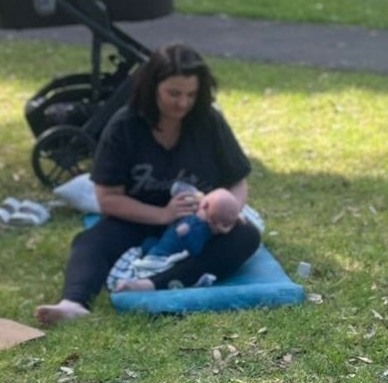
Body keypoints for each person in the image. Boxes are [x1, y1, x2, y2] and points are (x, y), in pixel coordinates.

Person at [35, 44, 260, 325]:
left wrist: (225, 212)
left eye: (191, 95)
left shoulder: (209, 121)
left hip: (200, 223)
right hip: (138, 218)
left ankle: (156, 283)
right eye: (173, 94)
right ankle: (73, 303)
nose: (182, 103)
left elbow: (237, 181)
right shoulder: (124, 126)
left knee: (246, 237)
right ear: (153, 88)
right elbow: (107, 199)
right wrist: (163, 215)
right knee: (91, 241)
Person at [110, 186, 245, 293]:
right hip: (162, 249)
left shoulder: (199, 225)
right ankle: (143, 279)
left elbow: (194, 247)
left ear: (205, 206)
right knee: (152, 248)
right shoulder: (202, 223)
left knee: (152, 256)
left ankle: (141, 282)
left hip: (163, 256)